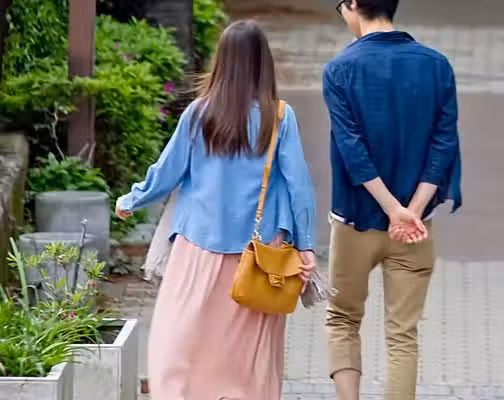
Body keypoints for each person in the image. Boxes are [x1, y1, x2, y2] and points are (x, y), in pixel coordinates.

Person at [115, 20, 317, 400]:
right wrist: (305, 245)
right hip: (261, 257)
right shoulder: (279, 117)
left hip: (199, 249)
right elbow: (299, 186)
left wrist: (132, 199)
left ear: (222, 61)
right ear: (263, 63)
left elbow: (168, 171)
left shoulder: (199, 113)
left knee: (180, 340)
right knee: (249, 356)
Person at [323, 1, 462, 399]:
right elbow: (444, 143)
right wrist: (411, 211)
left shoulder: (339, 69)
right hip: (415, 229)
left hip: (354, 221)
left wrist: (391, 209)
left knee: (343, 319)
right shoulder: (436, 66)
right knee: (403, 334)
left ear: (353, 4)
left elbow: (352, 150)